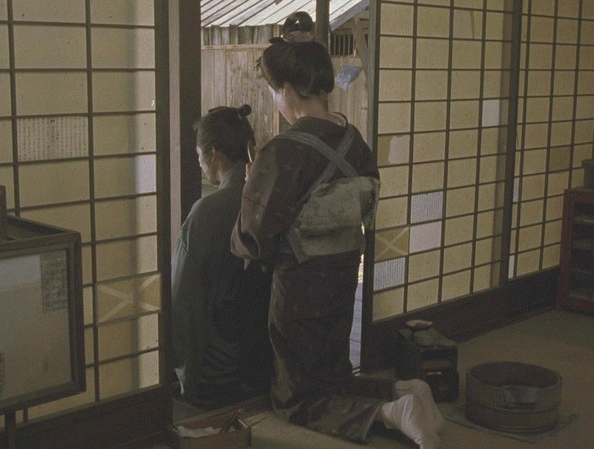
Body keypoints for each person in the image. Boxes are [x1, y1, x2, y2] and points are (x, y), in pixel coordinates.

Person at [230, 40, 444, 447]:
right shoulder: (353, 140)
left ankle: (391, 412)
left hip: (300, 280)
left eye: (274, 91)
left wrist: (249, 189)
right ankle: (404, 390)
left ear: (286, 90)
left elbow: (255, 234)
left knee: (296, 397)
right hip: (344, 270)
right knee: (331, 372)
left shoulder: (282, 150)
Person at [171, 105, 273, 409]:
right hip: (266, 358)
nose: (199, 162)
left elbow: (184, 301)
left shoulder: (207, 211)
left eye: (198, 155)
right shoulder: (270, 199)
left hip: (218, 369)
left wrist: (183, 376)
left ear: (213, 153)